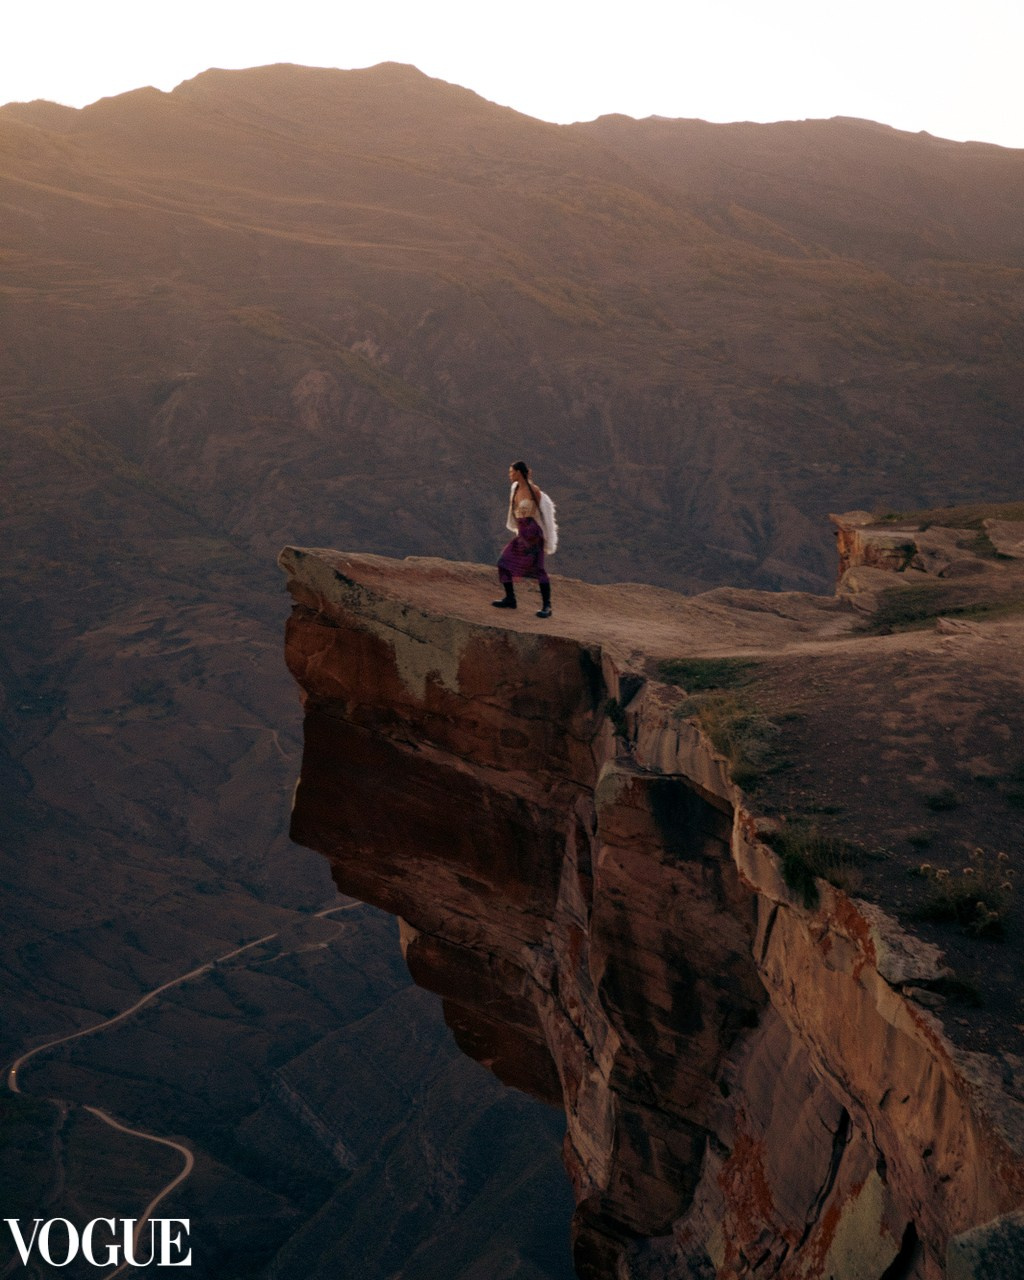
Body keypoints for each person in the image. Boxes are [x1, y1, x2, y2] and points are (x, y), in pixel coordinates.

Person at [492, 461, 558, 618]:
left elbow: (544, 513)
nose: (510, 475)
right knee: (503, 562)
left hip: (533, 534)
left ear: (519, 473)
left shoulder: (534, 491)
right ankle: (510, 598)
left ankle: (547, 606)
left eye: (512, 472)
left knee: (538, 569)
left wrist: (547, 537)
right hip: (522, 534)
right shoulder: (514, 490)